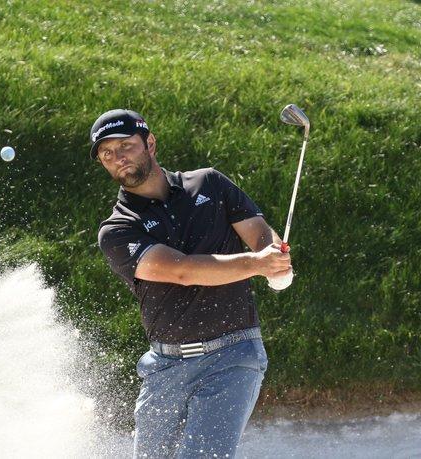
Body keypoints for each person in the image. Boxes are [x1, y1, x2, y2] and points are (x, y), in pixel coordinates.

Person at [92, 109, 293, 458]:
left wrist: (275, 261)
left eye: (126, 146)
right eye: (107, 154)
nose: (118, 158)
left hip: (234, 354)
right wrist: (257, 265)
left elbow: (259, 235)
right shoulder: (117, 229)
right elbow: (181, 270)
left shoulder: (209, 184)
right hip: (165, 365)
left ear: (149, 143)